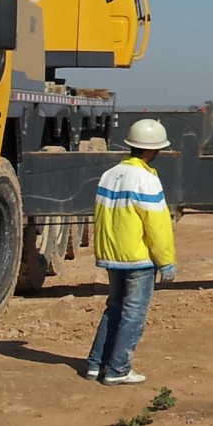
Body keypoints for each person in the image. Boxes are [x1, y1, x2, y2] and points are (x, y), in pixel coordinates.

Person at [85, 118, 178, 385]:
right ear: (153, 151)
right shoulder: (147, 179)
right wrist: (166, 261)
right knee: (133, 312)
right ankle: (118, 370)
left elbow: (103, 217)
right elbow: (157, 226)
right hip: (138, 258)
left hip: (113, 255)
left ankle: (96, 365)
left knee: (114, 308)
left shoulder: (110, 174)